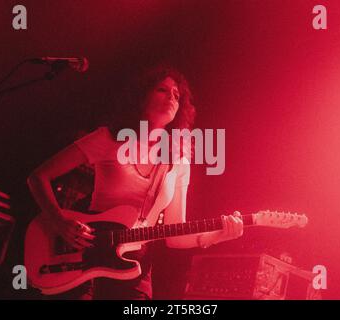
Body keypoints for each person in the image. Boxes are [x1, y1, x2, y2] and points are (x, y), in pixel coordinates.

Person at [27, 65, 243, 300]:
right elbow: (38, 177)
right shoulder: (108, 138)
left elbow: (175, 235)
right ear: (141, 96)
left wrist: (217, 236)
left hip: (135, 267)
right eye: (162, 89)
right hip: (86, 254)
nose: (171, 96)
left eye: (177, 95)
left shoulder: (178, 161)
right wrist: (59, 222)